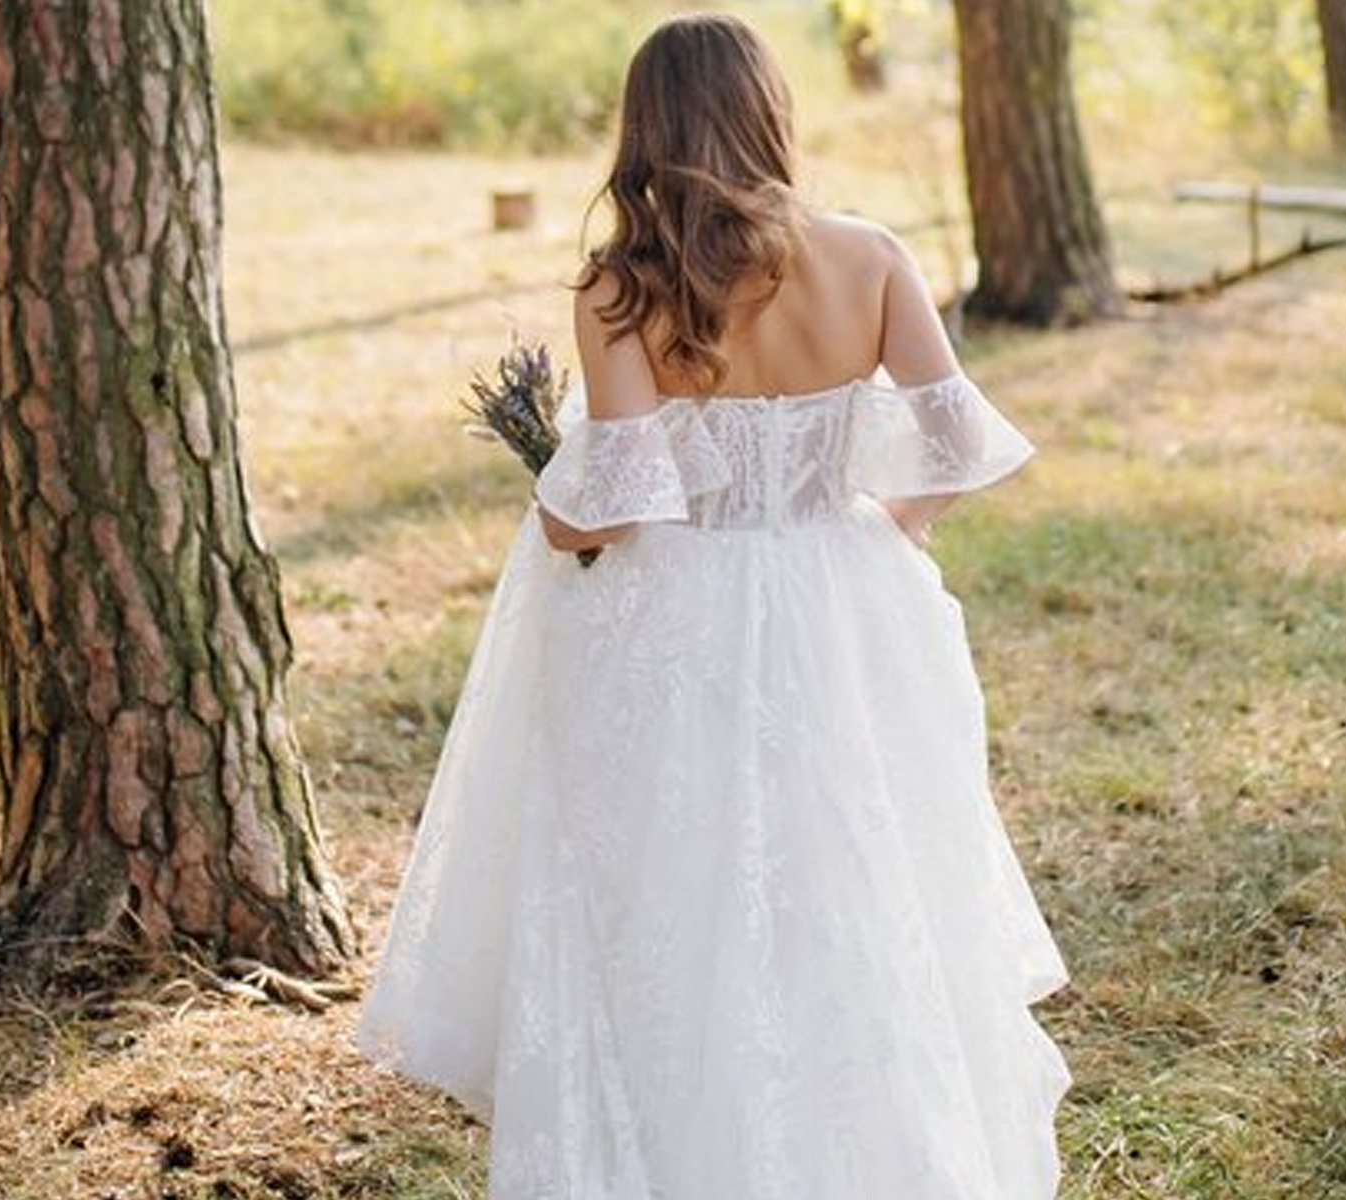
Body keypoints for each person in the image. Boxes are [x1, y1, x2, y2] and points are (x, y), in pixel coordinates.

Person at [354, 12, 1069, 1197]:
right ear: (768, 112)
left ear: (647, 131)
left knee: (680, 896)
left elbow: (619, 505)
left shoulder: (626, 288)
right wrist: (883, 532)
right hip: (847, 600)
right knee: (859, 867)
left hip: (684, 615)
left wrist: (553, 493)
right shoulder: (872, 255)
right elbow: (955, 444)